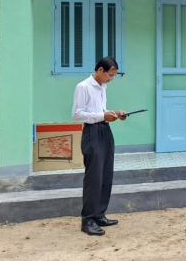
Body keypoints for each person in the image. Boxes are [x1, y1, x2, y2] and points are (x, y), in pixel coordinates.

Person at [72, 57, 127, 236]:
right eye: (109, 75)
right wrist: (102, 116)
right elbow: (77, 115)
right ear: (101, 70)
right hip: (91, 132)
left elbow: (99, 111)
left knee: (105, 175)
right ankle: (87, 220)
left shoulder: (103, 87)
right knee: (94, 177)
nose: (110, 79)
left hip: (105, 130)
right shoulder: (83, 87)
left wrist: (115, 114)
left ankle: (99, 214)